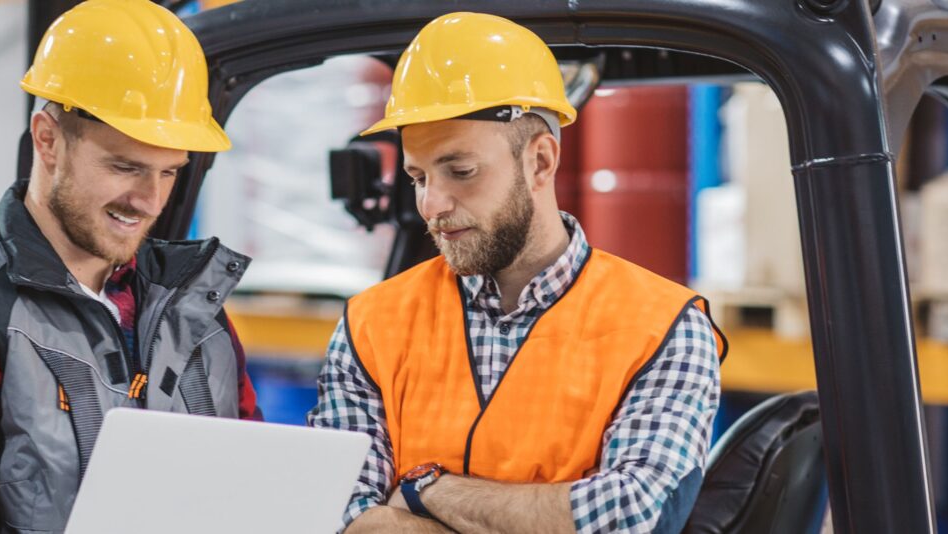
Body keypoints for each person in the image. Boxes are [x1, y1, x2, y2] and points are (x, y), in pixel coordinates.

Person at [308, 12, 726, 534]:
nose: (431, 205)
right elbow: (336, 512)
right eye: (417, 177)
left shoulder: (664, 326)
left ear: (541, 162)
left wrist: (424, 489)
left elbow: (632, 515)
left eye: (460, 171)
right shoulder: (371, 324)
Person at [0, 1, 260, 532]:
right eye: (125, 167)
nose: (149, 200)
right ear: (46, 139)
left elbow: (256, 483)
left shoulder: (195, 309)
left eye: (169, 172)